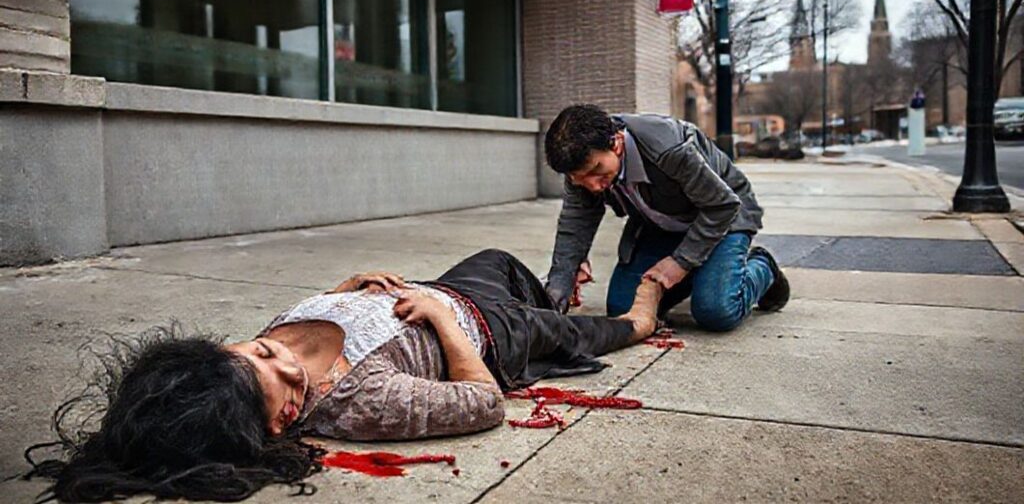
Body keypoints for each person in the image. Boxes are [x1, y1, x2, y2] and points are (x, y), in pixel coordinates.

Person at [26, 249, 662, 502]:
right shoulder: (356, 399)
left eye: (254, 349)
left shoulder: (264, 357)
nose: (276, 350)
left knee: (497, 260)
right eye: (275, 371)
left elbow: (294, 336)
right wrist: (441, 322)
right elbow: (482, 401)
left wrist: (342, 294)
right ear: (280, 419)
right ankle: (638, 318)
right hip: (490, 335)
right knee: (581, 332)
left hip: (449, 287)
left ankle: (553, 298)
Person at [543, 104, 790, 332]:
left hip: (724, 218)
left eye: (597, 171)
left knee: (716, 311)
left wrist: (680, 263)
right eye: (580, 178)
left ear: (616, 143)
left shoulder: (669, 148)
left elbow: (721, 206)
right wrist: (558, 288)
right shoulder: (580, 165)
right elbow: (576, 222)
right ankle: (704, 271)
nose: (593, 186)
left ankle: (762, 266)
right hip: (662, 225)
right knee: (623, 309)